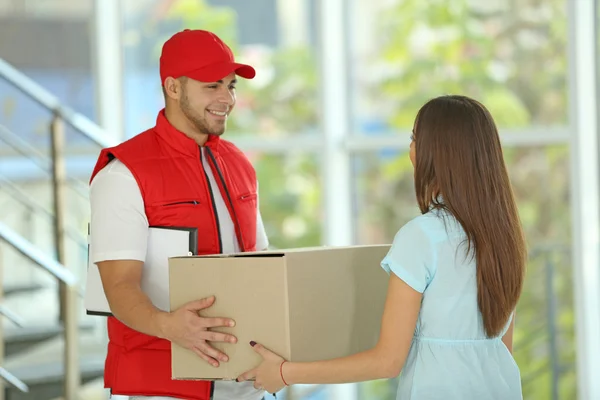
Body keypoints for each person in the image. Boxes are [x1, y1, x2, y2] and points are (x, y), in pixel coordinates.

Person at [237, 95, 526, 400]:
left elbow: (387, 361)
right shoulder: (505, 237)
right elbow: (502, 349)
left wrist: (284, 372)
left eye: (415, 137)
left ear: (436, 151)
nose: (411, 148)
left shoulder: (422, 237)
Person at [88, 29, 270, 400]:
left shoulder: (238, 164)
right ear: (173, 87)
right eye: (212, 86)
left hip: (245, 379)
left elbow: (261, 264)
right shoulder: (124, 174)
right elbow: (118, 285)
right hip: (165, 386)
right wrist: (170, 326)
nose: (227, 99)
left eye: (231, 86)